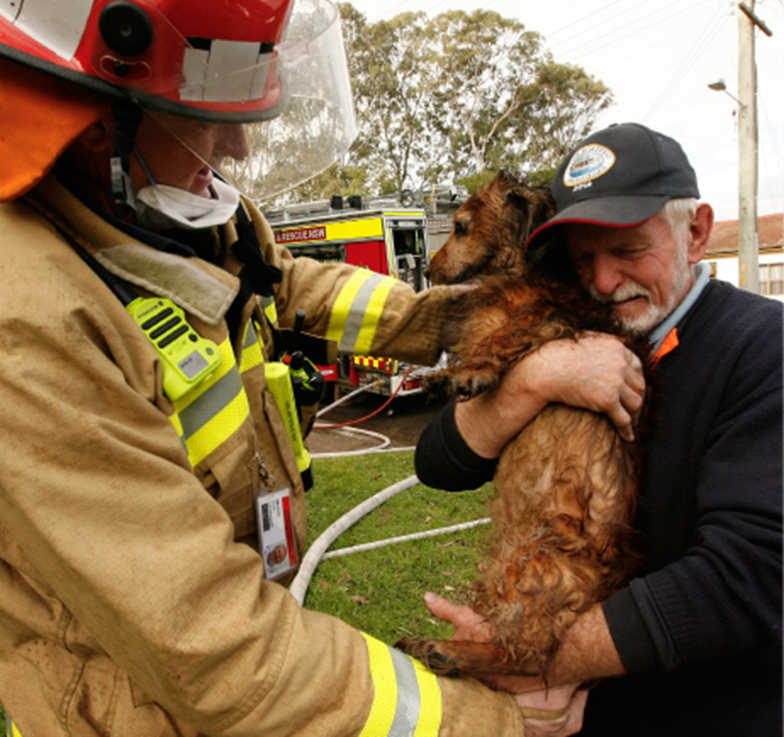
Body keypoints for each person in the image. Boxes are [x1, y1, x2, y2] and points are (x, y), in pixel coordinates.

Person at [0, 1, 577, 735]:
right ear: (91, 117)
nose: (237, 148)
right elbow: (218, 647)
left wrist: (465, 322)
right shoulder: (26, 323)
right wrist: (493, 721)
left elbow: (288, 284)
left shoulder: (179, 223)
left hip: (243, 648)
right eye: (207, 115)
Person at [415, 122, 784, 736]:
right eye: (583, 257)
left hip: (714, 714)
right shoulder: (576, 329)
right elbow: (438, 464)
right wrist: (536, 378)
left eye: (629, 249)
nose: (605, 281)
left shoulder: (764, 349)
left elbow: (750, 575)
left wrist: (536, 662)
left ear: (694, 233)